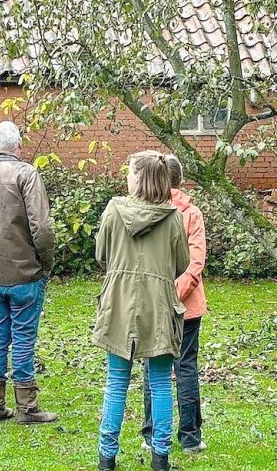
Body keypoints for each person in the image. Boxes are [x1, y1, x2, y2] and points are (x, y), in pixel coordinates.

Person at [94, 150, 190, 471]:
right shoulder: (174, 217)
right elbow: (182, 264)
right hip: (159, 305)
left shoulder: (113, 210)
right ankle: (160, 458)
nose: (127, 176)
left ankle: (107, 457)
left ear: (139, 177)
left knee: (116, 381)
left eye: (130, 171)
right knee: (161, 382)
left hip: (119, 302)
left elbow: (101, 255)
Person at [0, 121, 58, 425]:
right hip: (24, 270)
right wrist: (45, 262)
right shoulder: (25, 173)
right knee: (23, 337)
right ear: (18, 145)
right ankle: (27, 407)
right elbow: (41, 227)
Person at [140, 154, 208, 454]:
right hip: (187, 303)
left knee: (153, 366)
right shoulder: (191, 213)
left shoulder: (144, 211)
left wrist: (163, 296)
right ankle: (190, 437)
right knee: (186, 367)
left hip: (154, 302)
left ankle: (152, 432)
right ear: (179, 178)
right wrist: (176, 294)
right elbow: (196, 264)